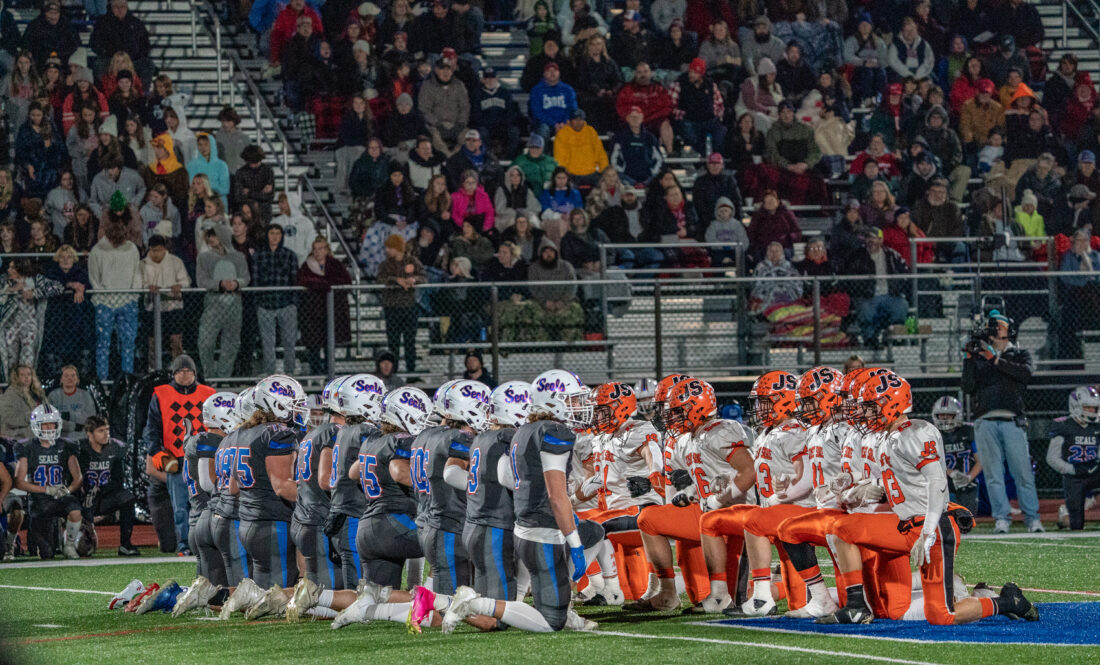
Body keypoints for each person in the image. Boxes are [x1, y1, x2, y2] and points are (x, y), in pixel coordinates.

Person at [822, 371, 1037, 626]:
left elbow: (937, 481)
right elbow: (896, 479)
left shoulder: (917, 432)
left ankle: (1006, 602)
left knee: (942, 616)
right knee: (842, 528)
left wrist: (928, 530)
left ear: (891, 405)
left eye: (870, 407)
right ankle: (856, 604)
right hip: (903, 526)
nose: (865, 414)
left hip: (934, 526)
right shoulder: (885, 437)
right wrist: (856, 486)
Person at [960, 310, 1041, 533]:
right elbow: (967, 387)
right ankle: (1001, 518)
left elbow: (1025, 374)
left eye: (998, 324)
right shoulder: (979, 357)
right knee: (993, 474)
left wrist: (993, 359)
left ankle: (1032, 518)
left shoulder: (1019, 354)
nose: (994, 327)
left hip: (1012, 419)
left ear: (1009, 329)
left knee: (1022, 472)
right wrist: (968, 359)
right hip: (985, 420)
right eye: (991, 324)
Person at [142, 353, 215, 554]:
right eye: (180, 371)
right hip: (175, 458)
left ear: (195, 373)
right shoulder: (160, 394)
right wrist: (156, 452)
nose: (184, 375)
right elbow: (152, 428)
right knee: (180, 508)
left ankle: (205, 543)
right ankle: (185, 546)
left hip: (203, 456)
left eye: (188, 371)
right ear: (173, 374)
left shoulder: (208, 393)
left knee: (205, 503)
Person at [13, 404, 84, 559]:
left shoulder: (66, 445)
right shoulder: (27, 447)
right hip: (39, 500)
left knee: (75, 509)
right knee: (47, 554)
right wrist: (46, 490)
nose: (49, 427)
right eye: (45, 424)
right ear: (36, 426)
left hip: (60, 496)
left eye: (52, 423)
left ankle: (69, 545)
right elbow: (19, 482)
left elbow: (78, 477)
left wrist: (68, 490)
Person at [88, 213, 143, 381]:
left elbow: (137, 273)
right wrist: (100, 298)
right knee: (103, 343)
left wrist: (134, 296)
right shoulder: (97, 250)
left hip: (127, 301)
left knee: (128, 342)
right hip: (105, 302)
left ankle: (127, 379)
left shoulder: (131, 249)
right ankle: (102, 380)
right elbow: (94, 277)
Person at [79, 414, 140, 556]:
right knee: (81, 550)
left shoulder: (115, 448)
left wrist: (100, 490)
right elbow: (75, 478)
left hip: (103, 496)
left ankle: (125, 544)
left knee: (127, 498)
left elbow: (118, 480)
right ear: (89, 434)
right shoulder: (79, 449)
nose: (106, 433)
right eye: (101, 430)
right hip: (82, 498)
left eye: (107, 429)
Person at [196, 225, 250, 379]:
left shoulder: (238, 257)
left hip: (234, 307)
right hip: (212, 307)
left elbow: (245, 278)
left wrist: (236, 283)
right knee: (205, 343)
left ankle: (223, 377)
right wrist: (220, 284)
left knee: (231, 344)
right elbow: (201, 280)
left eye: (214, 236)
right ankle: (209, 376)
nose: (211, 239)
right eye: (210, 236)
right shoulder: (204, 257)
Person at [1047, 387, 1100, 531]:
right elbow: (1051, 458)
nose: (1092, 411)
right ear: (1076, 406)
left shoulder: (1097, 425)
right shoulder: (1063, 425)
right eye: (1088, 407)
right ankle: (1065, 515)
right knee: (1076, 525)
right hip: (1073, 477)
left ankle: (1089, 500)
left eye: (1095, 407)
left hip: (1094, 471)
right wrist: (1073, 469)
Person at [297, 236, 352, 375]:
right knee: (313, 345)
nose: (317, 252)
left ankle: (329, 372)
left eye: (321, 249)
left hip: (331, 311)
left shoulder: (335, 265)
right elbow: (303, 281)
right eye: (315, 249)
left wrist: (320, 284)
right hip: (312, 312)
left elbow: (345, 281)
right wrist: (324, 284)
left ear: (327, 250)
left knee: (329, 344)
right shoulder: (306, 266)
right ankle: (315, 372)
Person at [846, 228, 909, 347]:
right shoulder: (857, 256)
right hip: (868, 296)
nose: (871, 241)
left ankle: (893, 338)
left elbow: (905, 272)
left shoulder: (892, 255)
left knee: (901, 305)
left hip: (890, 295)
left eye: (874, 237)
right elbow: (850, 277)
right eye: (868, 237)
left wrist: (898, 288)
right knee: (865, 309)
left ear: (881, 239)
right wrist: (862, 291)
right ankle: (870, 339)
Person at [254, 224, 301, 375]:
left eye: (277, 233)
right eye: (271, 233)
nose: (274, 236)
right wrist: (258, 302)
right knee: (267, 343)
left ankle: (290, 373)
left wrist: (293, 302)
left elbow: (295, 280)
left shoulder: (290, 255)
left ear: (282, 236)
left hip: (286, 303)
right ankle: (269, 373)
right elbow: (256, 280)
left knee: (289, 342)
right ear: (267, 235)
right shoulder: (259, 255)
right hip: (265, 304)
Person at [378, 235, 425, 374]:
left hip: (409, 306)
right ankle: (394, 372)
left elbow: (423, 276)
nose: (387, 250)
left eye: (390, 247)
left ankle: (411, 371)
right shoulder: (386, 265)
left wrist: (413, 280)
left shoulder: (412, 262)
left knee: (410, 341)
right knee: (393, 342)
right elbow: (380, 280)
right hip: (392, 307)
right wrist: (396, 280)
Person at [141, 235, 190, 366]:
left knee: (176, 340)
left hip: (173, 306)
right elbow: (141, 283)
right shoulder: (144, 264)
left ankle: (177, 368)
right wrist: (148, 288)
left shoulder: (175, 262)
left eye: (158, 250)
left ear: (164, 248)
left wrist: (179, 286)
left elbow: (185, 281)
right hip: (152, 307)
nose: (155, 254)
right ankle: (153, 369)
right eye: (153, 250)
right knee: (153, 342)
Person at [420, 58, 470, 155]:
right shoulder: (427, 85)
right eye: (442, 69)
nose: (446, 72)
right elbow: (424, 109)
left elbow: (465, 107)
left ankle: (454, 156)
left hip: (456, 124)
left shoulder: (459, 85)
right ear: (436, 70)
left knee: (469, 137)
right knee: (434, 137)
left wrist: (460, 124)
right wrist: (437, 124)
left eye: (448, 69)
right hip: (436, 125)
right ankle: (447, 157)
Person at [609, 106, 663, 186]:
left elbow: (659, 159)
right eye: (632, 116)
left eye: (637, 116)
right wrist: (623, 172)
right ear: (627, 118)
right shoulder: (619, 137)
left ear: (642, 118)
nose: (635, 119)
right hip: (626, 178)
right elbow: (613, 159)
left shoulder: (650, 138)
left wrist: (651, 174)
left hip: (648, 178)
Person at [553, 109, 607, 187]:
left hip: (591, 173)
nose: (578, 122)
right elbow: (560, 158)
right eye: (575, 120)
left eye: (581, 120)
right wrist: (565, 173)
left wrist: (604, 171)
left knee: (605, 185)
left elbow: (601, 153)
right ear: (570, 121)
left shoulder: (590, 131)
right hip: (572, 175)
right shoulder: (562, 134)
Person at [528, 62, 577, 140]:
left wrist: (564, 122)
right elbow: (537, 112)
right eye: (549, 71)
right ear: (544, 74)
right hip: (545, 124)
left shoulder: (568, 89)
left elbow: (572, 108)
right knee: (543, 130)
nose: (552, 73)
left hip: (565, 123)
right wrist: (554, 124)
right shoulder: (536, 90)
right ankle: (544, 152)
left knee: (579, 126)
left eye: (555, 71)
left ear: (559, 73)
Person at [47, 366, 97, 436]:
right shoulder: (53, 396)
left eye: (73, 375)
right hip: (59, 438)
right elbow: (50, 420)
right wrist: (74, 426)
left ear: (77, 379)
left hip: (81, 438)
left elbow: (91, 418)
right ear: (61, 379)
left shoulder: (86, 395)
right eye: (66, 375)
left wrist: (69, 415)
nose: (70, 378)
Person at [0, 365, 45, 439]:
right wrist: (32, 417)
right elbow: (7, 418)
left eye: (29, 374)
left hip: (34, 429)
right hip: (16, 433)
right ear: (16, 377)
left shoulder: (35, 393)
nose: (26, 377)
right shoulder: (11, 395)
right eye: (22, 375)